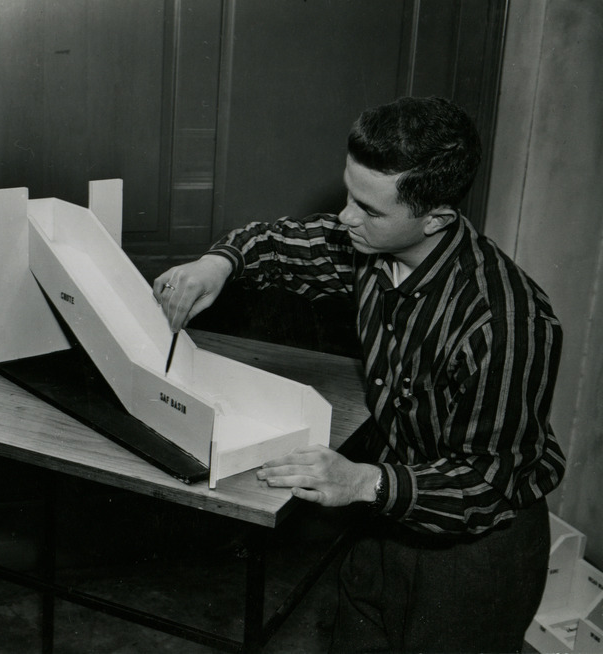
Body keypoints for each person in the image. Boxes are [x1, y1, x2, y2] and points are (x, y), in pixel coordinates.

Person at [152, 96, 565, 653]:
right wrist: (216, 265)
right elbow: (273, 244)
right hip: (385, 519)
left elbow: (488, 483)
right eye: (350, 193)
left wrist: (362, 481)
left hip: (476, 550)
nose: (346, 217)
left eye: (369, 209)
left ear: (437, 218)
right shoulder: (370, 246)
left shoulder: (507, 324)